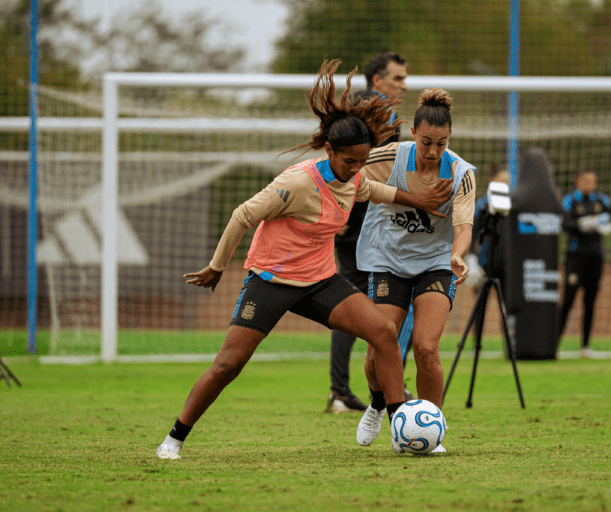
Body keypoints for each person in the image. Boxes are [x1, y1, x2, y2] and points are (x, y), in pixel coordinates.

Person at [155, 59, 454, 459]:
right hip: (272, 281)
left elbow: (377, 191)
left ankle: (397, 421)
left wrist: (420, 200)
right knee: (228, 364)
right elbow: (242, 215)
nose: (356, 170)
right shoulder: (296, 183)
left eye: (362, 162)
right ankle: (174, 439)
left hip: (320, 282)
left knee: (384, 333)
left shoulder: (354, 177)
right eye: (349, 162)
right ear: (329, 150)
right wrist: (217, 265)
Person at [354, 88, 476, 454]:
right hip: (387, 260)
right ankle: (378, 404)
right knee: (379, 348)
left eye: (442, 143)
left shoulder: (461, 173)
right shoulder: (389, 156)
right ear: (413, 134)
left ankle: (429, 427)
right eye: (426, 143)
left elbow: (464, 225)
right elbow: (352, 181)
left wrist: (458, 255)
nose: (434, 151)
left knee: (425, 347)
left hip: (436, 263)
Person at [326, 52, 411, 413]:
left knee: (359, 303)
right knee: (378, 301)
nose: (403, 86)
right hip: (362, 223)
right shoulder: (374, 109)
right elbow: (359, 166)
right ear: (377, 80)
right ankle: (382, 386)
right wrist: (343, 209)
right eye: (397, 78)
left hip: (363, 220)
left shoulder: (370, 109)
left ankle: (344, 390)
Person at [558, 167, 611, 358]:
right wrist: (582, 224)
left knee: (590, 301)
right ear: (577, 181)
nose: (590, 184)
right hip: (575, 255)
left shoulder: (601, 199)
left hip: (595, 256)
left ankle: (585, 346)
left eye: (592, 181)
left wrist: (603, 219)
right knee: (568, 301)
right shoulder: (570, 200)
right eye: (586, 180)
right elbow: (563, 222)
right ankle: (554, 344)